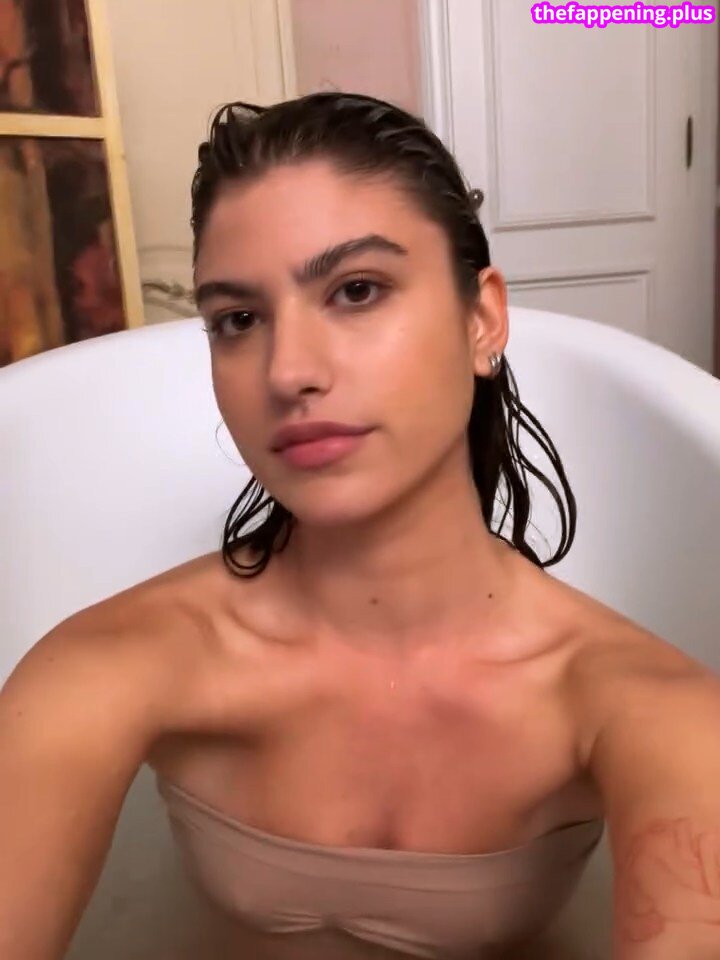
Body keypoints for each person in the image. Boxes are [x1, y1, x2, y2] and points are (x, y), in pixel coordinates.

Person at [1, 92, 720, 960]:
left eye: (357, 290)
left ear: (482, 319)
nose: (288, 371)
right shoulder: (110, 666)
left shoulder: (645, 708)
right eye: (238, 320)